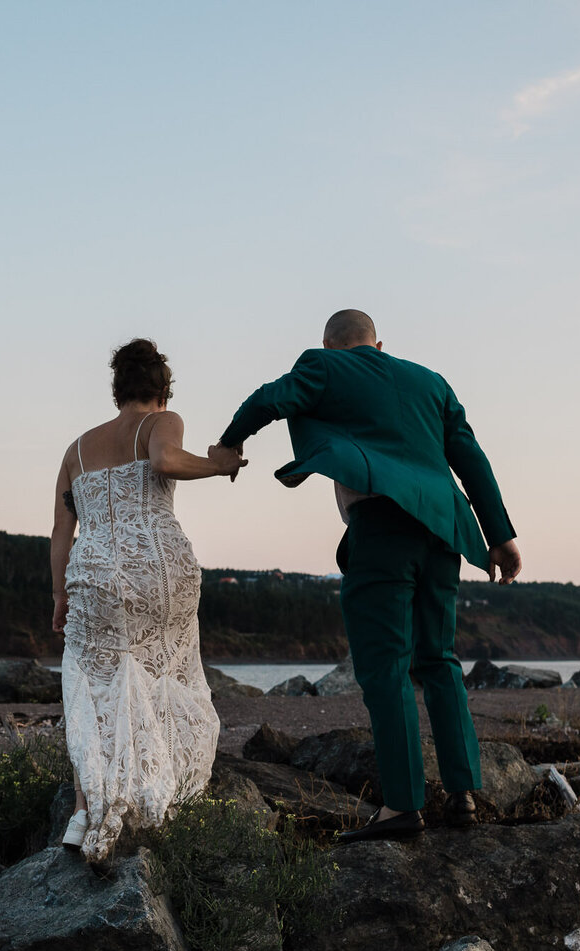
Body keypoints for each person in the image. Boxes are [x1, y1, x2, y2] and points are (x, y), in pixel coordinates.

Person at [217, 310, 521, 843]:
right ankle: (463, 792)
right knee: (441, 659)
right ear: (379, 343)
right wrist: (500, 534)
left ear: (330, 345)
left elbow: (269, 398)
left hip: (383, 529)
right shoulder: (431, 382)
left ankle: (402, 807)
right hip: (443, 531)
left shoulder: (326, 367)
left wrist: (230, 443)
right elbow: (470, 455)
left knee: (386, 668)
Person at [51, 338, 245, 862]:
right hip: (158, 570)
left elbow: (60, 530)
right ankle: (154, 796)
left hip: (93, 575)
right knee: (161, 678)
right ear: (162, 390)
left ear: (117, 389)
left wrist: (58, 594)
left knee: (93, 682)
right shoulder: (161, 422)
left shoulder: (78, 448)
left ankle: (84, 812)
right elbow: (164, 463)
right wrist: (218, 464)